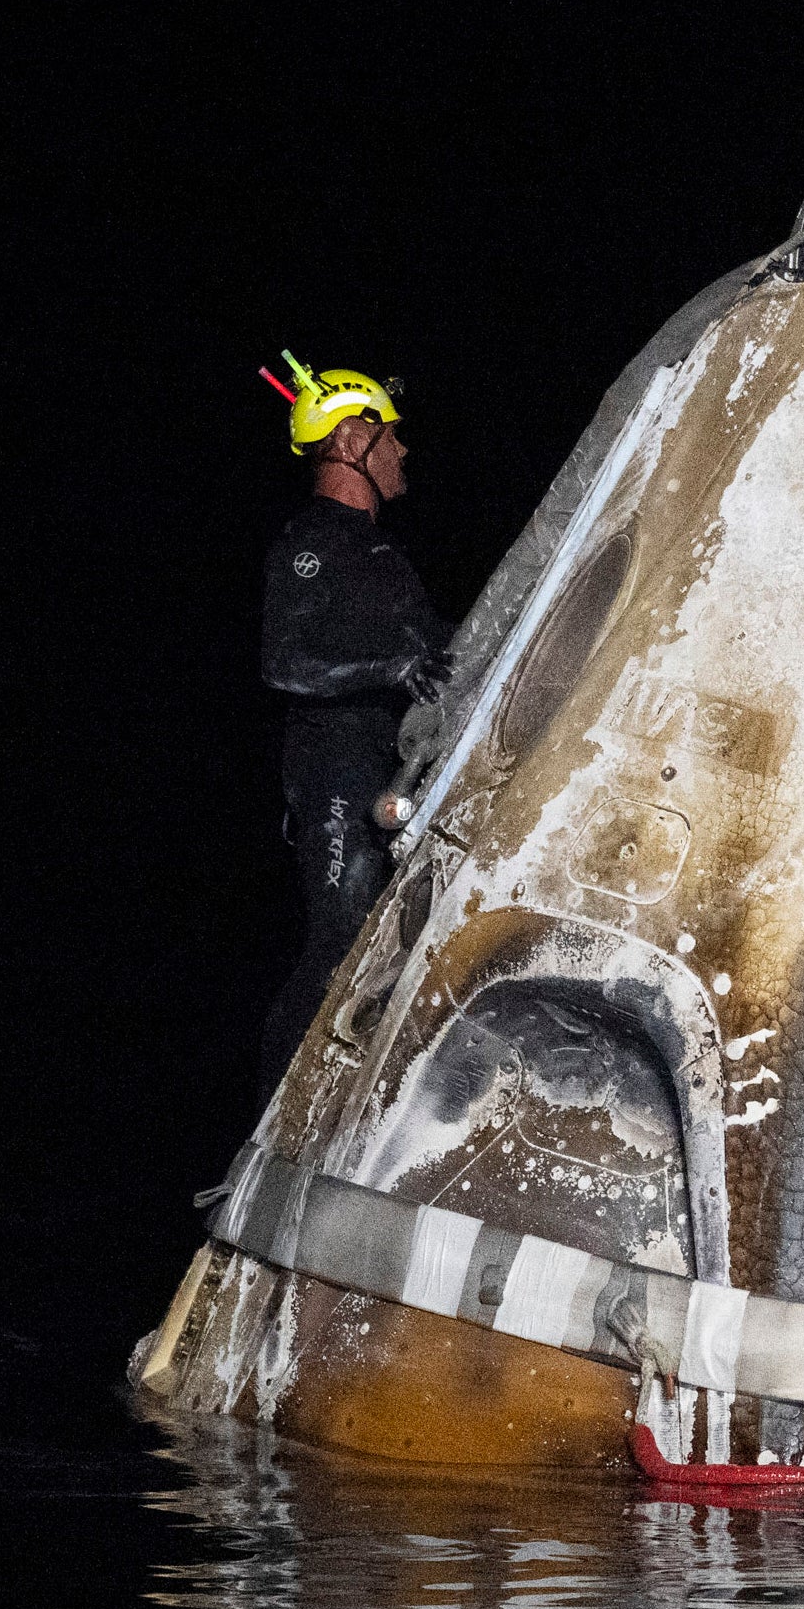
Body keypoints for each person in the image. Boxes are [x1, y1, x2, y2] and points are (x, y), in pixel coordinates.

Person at [259, 355, 451, 1089]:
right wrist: (391, 669)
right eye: (390, 435)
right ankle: (265, 1133)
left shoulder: (384, 556)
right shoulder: (313, 540)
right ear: (349, 443)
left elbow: (437, 651)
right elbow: (284, 661)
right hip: (334, 769)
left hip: (389, 772)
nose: (403, 449)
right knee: (340, 939)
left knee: (389, 946)